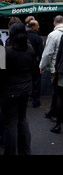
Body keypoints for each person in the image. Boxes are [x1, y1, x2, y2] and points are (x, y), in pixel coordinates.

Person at [0, 22, 35, 155]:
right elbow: (33, 69)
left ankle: (10, 152)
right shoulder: (30, 49)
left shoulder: (4, 51)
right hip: (26, 89)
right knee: (22, 119)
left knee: (10, 123)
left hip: (9, 91)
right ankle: (25, 150)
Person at [39, 15, 63, 121]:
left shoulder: (53, 35)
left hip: (56, 67)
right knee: (62, 92)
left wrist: (42, 66)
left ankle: (59, 115)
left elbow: (48, 53)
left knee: (58, 92)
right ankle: (54, 111)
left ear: (54, 23)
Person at [26, 19, 44, 108]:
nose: (38, 27)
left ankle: (26, 98)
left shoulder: (24, 36)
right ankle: (35, 101)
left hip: (25, 63)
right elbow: (41, 52)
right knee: (36, 82)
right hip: (35, 62)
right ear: (33, 27)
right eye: (37, 25)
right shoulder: (38, 38)